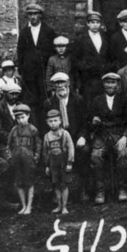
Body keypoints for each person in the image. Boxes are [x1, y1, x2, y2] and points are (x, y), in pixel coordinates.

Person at [44, 73, 91, 202]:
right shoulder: (49, 103)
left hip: (76, 138)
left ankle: (83, 189)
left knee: (84, 151)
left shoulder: (78, 100)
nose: (60, 86)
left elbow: (85, 122)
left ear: (68, 83)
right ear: (53, 86)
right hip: (57, 139)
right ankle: (57, 191)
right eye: (57, 84)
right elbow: (47, 126)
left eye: (62, 83)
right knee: (53, 154)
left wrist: (82, 137)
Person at [88, 72, 127, 204]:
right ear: (103, 84)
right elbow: (89, 119)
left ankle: (122, 189)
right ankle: (100, 191)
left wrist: (125, 137)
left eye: (113, 82)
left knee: (122, 154)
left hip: (118, 134)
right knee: (96, 156)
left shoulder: (124, 100)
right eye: (107, 82)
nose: (110, 85)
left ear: (117, 84)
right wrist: (93, 120)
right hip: (102, 134)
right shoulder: (97, 100)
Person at [16, 3, 56, 120]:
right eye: (30, 14)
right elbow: (20, 52)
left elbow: (53, 52)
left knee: (45, 101)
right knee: (31, 102)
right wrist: (22, 70)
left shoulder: (48, 31)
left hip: (43, 74)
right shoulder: (24, 33)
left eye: (35, 14)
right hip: (29, 76)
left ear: (40, 15)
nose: (33, 17)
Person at [7, 103, 40, 215]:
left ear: (28, 116)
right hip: (17, 159)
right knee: (19, 182)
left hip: (29, 159)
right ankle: (23, 205)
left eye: (23, 117)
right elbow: (9, 145)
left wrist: (36, 157)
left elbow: (38, 145)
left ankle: (29, 206)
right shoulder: (14, 130)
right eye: (18, 118)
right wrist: (10, 156)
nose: (20, 120)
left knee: (29, 182)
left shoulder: (33, 130)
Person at [42, 109, 74, 215]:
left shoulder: (65, 134)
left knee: (64, 185)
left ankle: (64, 206)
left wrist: (70, 162)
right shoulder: (47, 136)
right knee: (56, 184)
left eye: (55, 120)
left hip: (63, 162)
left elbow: (71, 148)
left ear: (60, 120)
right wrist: (47, 165)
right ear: (47, 122)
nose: (53, 123)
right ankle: (59, 205)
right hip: (53, 163)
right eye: (50, 121)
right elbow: (45, 151)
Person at [74, 11, 111, 102]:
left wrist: (106, 67)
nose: (95, 25)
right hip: (88, 78)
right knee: (89, 102)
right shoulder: (81, 39)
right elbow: (75, 59)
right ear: (88, 24)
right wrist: (85, 67)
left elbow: (109, 55)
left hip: (102, 76)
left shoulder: (105, 37)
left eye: (97, 22)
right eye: (92, 22)